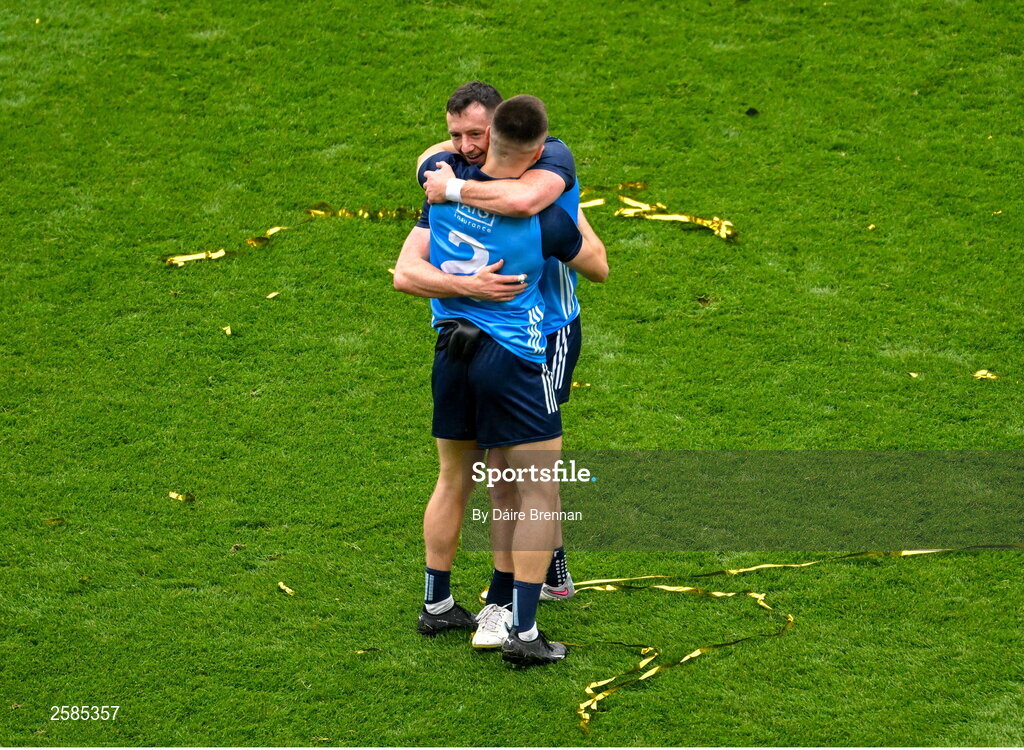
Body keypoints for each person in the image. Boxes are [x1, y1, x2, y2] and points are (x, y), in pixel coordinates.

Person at [395, 95, 608, 666]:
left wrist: (460, 275)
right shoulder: (544, 217)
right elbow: (598, 265)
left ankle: (437, 604)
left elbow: (405, 267)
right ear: (537, 152)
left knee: (455, 476)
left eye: (473, 135)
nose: (463, 147)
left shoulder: (439, 189)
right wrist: (571, 218)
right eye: (455, 136)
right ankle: (524, 627)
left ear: (493, 133)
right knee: (534, 487)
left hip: (452, 349)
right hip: (517, 357)